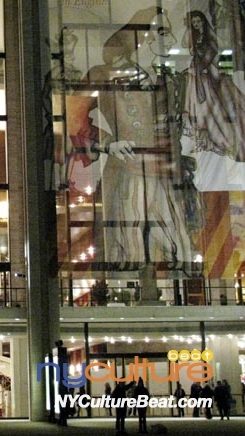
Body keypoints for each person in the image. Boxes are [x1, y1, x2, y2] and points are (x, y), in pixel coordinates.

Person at [74, 7, 201, 277]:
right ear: (141, 37)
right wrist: (108, 143)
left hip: (164, 170)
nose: (171, 41)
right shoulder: (105, 75)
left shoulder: (169, 79)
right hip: (129, 170)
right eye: (162, 32)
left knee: (180, 249)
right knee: (129, 247)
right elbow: (73, 114)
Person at [181, 10, 245, 162]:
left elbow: (213, 50)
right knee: (203, 105)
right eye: (193, 23)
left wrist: (202, 65)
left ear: (203, 21)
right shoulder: (196, 36)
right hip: (200, 73)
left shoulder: (209, 36)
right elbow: (184, 44)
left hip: (209, 72)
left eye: (198, 21)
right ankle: (209, 137)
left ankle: (226, 139)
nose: (196, 24)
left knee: (216, 105)